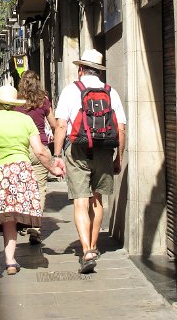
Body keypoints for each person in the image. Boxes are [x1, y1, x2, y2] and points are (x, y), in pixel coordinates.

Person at [0, 84, 65, 278]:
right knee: (10, 218)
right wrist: (53, 168)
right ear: (15, 104)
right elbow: (39, 151)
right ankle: (10, 261)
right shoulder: (25, 120)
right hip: (18, 172)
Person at [52, 49, 126, 274]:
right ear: (99, 71)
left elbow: (61, 125)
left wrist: (57, 156)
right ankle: (94, 246)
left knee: (80, 202)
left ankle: (86, 251)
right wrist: (119, 158)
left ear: (81, 70)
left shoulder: (70, 90)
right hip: (104, 151)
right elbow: (121, 128)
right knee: (97, 199)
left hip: (77, 151)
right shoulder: (110, 92)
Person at [15, 70, 57, 245]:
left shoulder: (16, 101)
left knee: (21, 187)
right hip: (40, 147)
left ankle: (23, 222)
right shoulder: (43, 101)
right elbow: (54, 124)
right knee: (39, 189)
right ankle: (35, 229)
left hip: (20, 148)